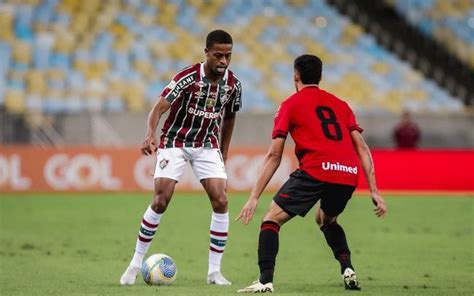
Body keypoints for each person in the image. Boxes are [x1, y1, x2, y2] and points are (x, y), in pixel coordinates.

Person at [236, 54, 386, 293]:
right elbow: (363, 148)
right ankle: (347, 267)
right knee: (326, 220)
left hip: (316, 169)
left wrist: (254, 196)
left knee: (271, 220)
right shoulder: (341, 105)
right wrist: (374, 191)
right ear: (320, 77)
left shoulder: (290, 104)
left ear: (295, 76)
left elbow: (274, 155)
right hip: (347, 173)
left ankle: (265, 281)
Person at [120, 29, 242, 286]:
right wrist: (149, 134)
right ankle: (133, 264)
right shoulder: (187, 78)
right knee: (161, 199)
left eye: (228, 56)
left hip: (207, 145)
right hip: (175, 140)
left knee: (221, 199)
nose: (223, 61)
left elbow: (230, 116)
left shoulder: (233, 85)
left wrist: (224, 149)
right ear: (206, 53)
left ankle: (214, 272)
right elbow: (159, 107)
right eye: (218, 55)